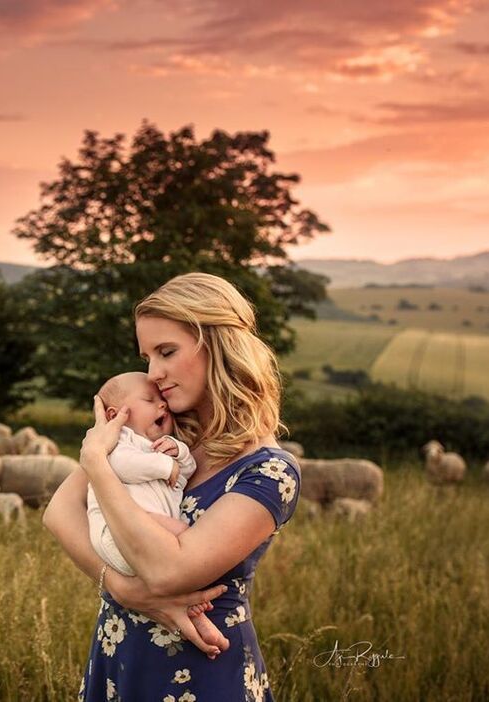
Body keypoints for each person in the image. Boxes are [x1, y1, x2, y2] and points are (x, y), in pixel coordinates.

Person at [42, 272, 301, 701]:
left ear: (218, 346)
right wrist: (122, 589)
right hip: (119, 655)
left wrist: (96, 462)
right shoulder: (162, 432)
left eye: (167, 351)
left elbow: (167, 572)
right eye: (147, 356)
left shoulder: (269, 472)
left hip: (202, 671)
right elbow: (58, 512)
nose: (154, 373)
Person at [89, 371, 198, 577]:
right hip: (116, 533)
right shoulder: (118, 440)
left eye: (162, 399)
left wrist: (179, 452)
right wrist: (165, 464)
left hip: (147, 536)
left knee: (181, 554)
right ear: (115, 415)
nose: (162, 404)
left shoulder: (154, 448)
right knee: (187, 538)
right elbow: (123, 465)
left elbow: (181, 477)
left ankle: (185, 597)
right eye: (149, 400)